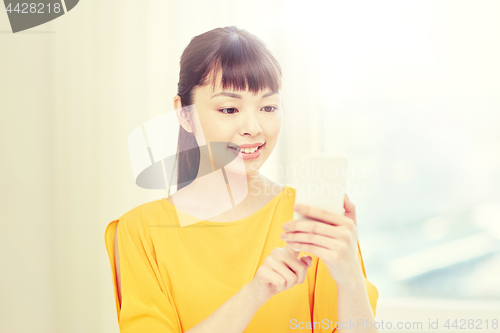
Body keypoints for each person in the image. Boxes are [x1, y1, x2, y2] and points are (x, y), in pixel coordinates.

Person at [104, 26, 379, 333]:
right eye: (229, 108)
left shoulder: (309, 220)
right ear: (184, 114)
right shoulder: (140, 232)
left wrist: (350, 276)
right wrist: (255, 293)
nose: (253, 127)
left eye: (268, 107)